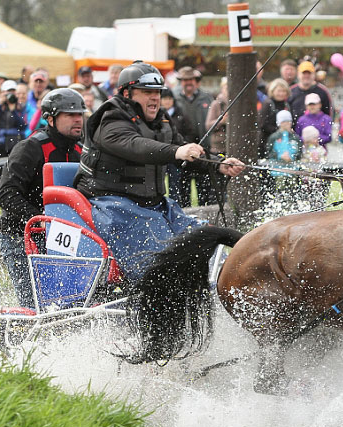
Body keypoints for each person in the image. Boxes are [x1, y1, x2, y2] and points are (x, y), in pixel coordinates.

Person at [74, 62, 244, 282]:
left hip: (155, 205)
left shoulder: (161, 121)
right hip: (113, 204)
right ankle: (157, 292)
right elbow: (135, 145)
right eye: (147, 92)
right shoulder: (111, 119)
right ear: (127, 93)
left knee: (199, 240)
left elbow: (185, 153)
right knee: (162, 258)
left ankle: (211, 285)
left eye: (157, 92)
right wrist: (176, 152)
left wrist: (218, 165)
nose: (155, 98)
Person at [0, 88, 86, 307]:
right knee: (34, 303)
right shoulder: (30, 148)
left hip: (60, 234)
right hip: (20, 235)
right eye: (70, 115)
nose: (78, 120)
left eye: (80, 114)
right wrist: (43, 219)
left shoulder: (80, 151)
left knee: (67, 302)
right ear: (51, 119)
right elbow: (6, 195)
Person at [173, 66, 216, 206]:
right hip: (182, 147)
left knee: (203, 187)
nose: (188, 83)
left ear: (196, 81)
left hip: (203, 147)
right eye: (184, 80)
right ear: (181, 82)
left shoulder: (206, 97)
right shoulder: (174, 96)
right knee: (182, 188)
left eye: (190, 79)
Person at [0, 80, 27, 159]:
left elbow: (23, 125)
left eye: (13, 92)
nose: (10, 94)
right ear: (2, 93)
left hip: (14, 144)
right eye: (8, 92)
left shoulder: (20, 106)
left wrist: (13, 111)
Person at [258, 78, 291, 159]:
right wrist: (278, 130)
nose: (281, 94)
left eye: (283, 91)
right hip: (266, 140)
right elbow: (262, 124)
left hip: (282, 141)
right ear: (273, 91)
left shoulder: (286, 105)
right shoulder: (267, 103)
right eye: (279, 91)